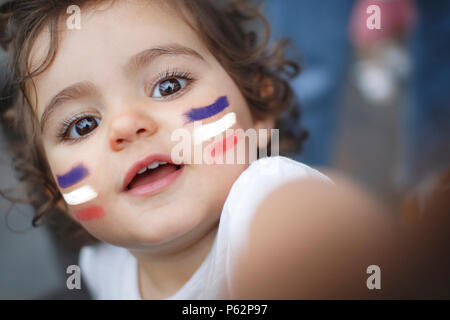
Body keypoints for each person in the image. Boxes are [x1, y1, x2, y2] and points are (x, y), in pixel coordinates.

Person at [0, 0, 394, 299]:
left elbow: (317, 228)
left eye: (169, 85)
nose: (125, 125)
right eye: (81, 125)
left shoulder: (264, 203)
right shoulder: (103, 269)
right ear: (57, 192)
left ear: (258, 109)